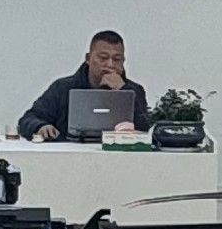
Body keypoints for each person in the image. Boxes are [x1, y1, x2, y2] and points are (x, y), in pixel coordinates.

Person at [17, 27, 150, 142]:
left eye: (117, 59)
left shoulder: (134, 91)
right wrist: (40, 126)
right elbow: (27, 119)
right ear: (88, 58)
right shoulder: (63, 88)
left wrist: (123, 89)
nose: (110, 65)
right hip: (70, 155)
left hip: (118, 157)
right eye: (103, 58)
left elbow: (145, 129)